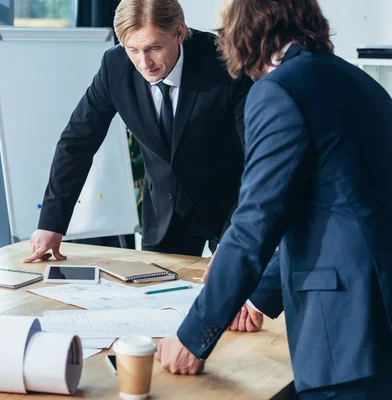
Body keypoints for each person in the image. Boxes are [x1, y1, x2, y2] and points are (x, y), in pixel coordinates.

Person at [155, 0, 392, 397]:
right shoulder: (358, 82)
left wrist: (194, 337)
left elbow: (254, 223)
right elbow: (328, 208)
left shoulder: (279, 91)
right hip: (378, 323)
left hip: (342, 333)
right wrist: (258, 296)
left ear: (243, 28)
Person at [23, 0, 253, 264]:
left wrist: (236, 237)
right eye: (133, 49)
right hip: (166, 212)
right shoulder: (116, 67)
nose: (144, 63)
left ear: (179, 33)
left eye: (153, 48)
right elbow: (76, 143)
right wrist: (52, 223)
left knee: (234, 299)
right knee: (159, 300)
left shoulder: (225, 61)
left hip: (229, 207)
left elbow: (256, 157)